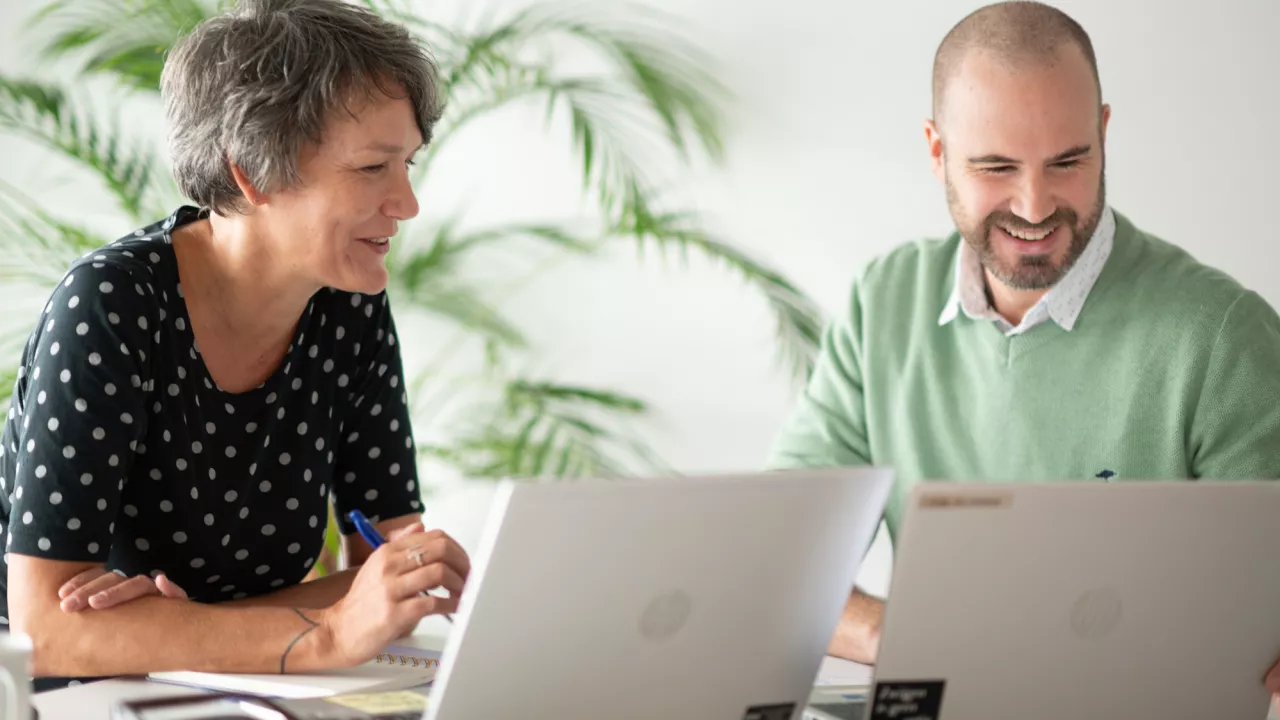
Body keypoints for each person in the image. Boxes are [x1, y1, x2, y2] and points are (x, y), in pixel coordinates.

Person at [767, 0, 1280, 704]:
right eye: (996, 167)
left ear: (1104, 133)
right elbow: (779, 563)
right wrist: (907, 641)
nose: (1036, 207)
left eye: (1069, 161)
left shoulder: (1224, 335)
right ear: (937, 150)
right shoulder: (881, 303)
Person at [0, 0, 469, 690]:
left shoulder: (350, 303)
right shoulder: (111, 304)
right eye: (373, 167)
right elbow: (48, 629)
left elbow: (389, 576)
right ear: (254, 170)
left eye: (407, 164)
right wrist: (323, 632)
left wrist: (183, 631)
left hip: (229, 690)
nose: (406, 202)